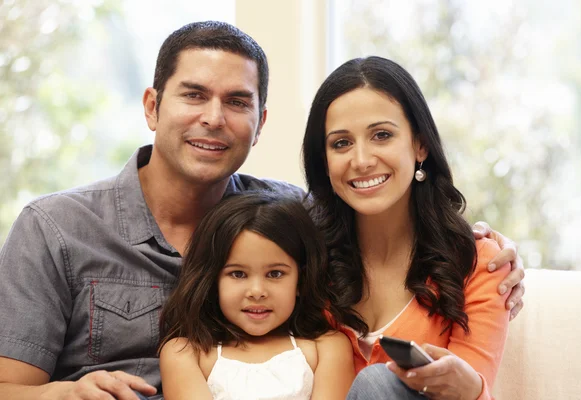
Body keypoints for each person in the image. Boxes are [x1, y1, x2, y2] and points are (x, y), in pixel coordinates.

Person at [0, 21, 523, 400]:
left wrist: (487, 247)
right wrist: (63, 395)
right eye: (194, 95)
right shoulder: (57, 230)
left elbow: (384, 209)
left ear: (261, 121)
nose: (213, 118)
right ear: (152, 107)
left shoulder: (291, 219)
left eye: (237, 102)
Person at [301, 55, 511, 399]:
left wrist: (469, 386)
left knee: (377, 382)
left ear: (420, 145)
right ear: (324, 162)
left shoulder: (480, 264)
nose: (362, 160)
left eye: (382, 135)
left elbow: (476, 384)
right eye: (341, 143)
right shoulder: (303, 261)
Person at [158, 191, 355, 400]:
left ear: (301, 280)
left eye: (275, 274)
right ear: (213, 280)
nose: (257, 292)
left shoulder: (328, 349)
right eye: (238, 274)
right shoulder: (185, 354)